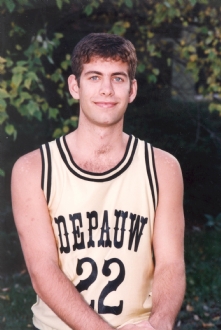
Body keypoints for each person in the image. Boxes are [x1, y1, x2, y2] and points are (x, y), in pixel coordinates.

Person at [11, 33, 185, 330]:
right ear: (74, 86)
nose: (106, 90)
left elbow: (171, 263)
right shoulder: (33, 169)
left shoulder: (162, 167)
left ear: (132, 90)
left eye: (118, 79)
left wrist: (160, 323)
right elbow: (42, 268)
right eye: (94, 77)